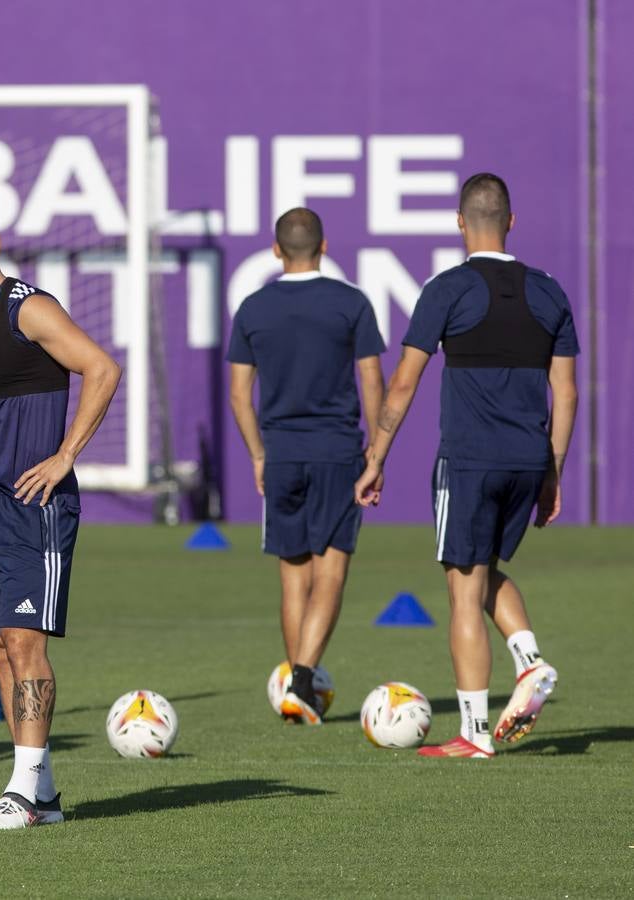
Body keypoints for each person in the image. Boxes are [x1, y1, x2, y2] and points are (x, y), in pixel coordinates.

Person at [355, 172, 578, 759]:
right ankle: (528, 660)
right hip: (529, 458)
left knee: (462, 588)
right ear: (511, 221)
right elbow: (569, 392)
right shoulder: (551, 291)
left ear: (460, 223)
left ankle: (475, 734)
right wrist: (553, 470)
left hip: (470, 460)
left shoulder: (447, 289)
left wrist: (375, 458)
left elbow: (403, 384)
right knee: (483, 572)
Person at [0, 191, 120, 828]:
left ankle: (21, 790)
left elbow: (101, 368)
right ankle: (45, 794)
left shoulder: (28, 310)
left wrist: (66, 454)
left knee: (24, 641)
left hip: (34, 504)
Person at [227, 207, 386, 725]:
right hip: (337, 451)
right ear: (324, 245)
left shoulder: (253, 307)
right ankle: (302, 677)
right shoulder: (351, 303)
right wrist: (377, 453)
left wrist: (257, 453)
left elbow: (238, 395)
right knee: (331, 572)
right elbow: (371, 382)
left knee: (293, 576)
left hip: (282, 453)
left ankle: (298, 690)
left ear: (276, 250)